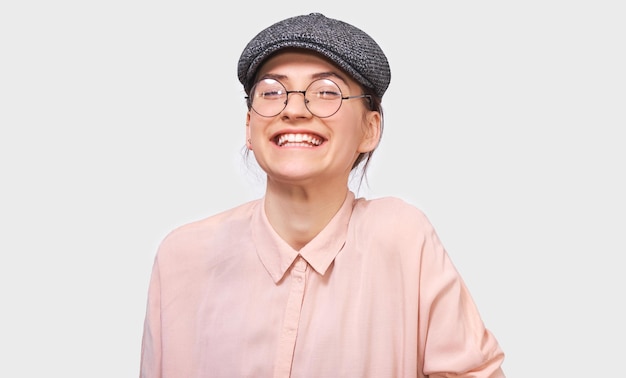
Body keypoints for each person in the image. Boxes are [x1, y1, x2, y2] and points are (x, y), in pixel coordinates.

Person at [140, 12, 506, 378]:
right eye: (271, 92)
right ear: (249, 127)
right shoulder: (182, 258)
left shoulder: (402, 239)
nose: (294, 109)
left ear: (370, 128)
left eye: (326, 92)